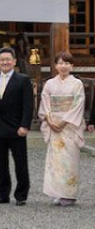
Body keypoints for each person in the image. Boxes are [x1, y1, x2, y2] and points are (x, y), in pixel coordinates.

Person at [0, 46, 33, 206]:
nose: (5, 62)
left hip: (17, 128)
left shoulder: (23, 80)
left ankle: (21, 194)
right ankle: (2, 194)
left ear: (14, 61)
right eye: (2, 60)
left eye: (8, 59)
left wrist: (25, 125)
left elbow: (28, 105)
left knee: (20, 162)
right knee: (0, 163)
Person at [38, 51, 85, 206]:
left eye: (66, 63)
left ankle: (69, 195)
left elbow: (78, 104)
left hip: (69, 126)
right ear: (55, 65)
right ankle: (57, 192)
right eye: (60, 63)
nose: (63, 66)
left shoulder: (77, 84)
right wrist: (50, 121)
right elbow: (45, 103)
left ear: (72, 66)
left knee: (70, 160)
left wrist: (64, 121)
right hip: (54, 125)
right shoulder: (50, 83)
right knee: (56, 161)